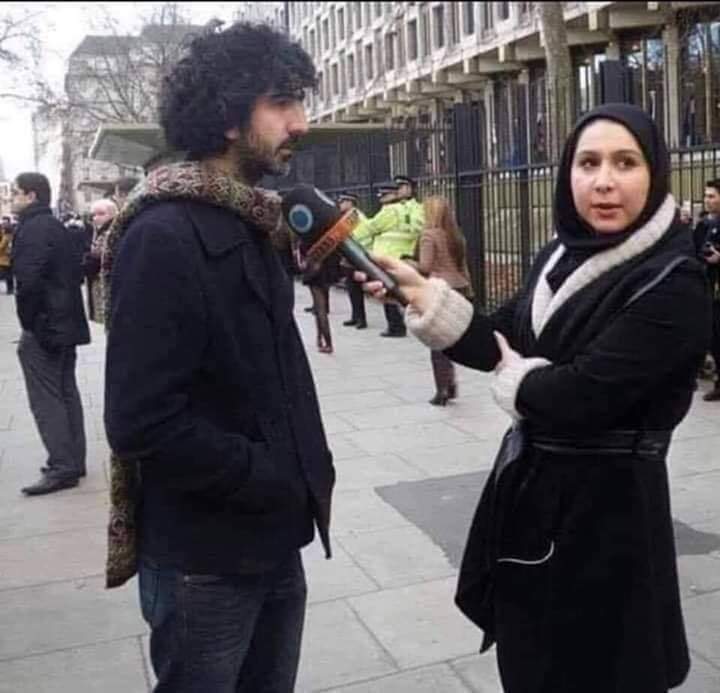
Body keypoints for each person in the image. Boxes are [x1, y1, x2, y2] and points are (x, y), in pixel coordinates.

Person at [359, 104, 709, 692]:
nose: (603, 181)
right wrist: (424, 295)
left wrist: (518, 378)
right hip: (535, 502)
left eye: (625, 163)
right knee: (532, 659)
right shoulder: (559, 257)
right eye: (588, 163)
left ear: (655, 174)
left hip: (612, 519)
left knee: (601, 669)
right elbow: (503, 336)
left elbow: (579, 396)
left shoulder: (674, 281)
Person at [103, 22, 335, 692]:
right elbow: (142, 421)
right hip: (205, 561)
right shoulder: (163, 234)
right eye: (282, 102)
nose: (301, 122)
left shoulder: (253, 220)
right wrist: (269, 475)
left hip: (273, 535)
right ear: (230, 116)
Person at [11, 172, 90, 495]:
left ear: (31, 196)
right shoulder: (55, 226)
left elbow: (28, 282)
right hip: (64, 324)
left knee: (47, 399)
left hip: (46, 327)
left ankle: (62, 466)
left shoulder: (32, 229)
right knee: (66, 391)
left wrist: (30, 324)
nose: (12, 198)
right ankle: (73, 460)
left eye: (15, 192)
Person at [416, 196, 472, 405]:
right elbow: (463, 267)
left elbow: (425, 267)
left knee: (436, 342)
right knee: (449, 339)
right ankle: (451, 383)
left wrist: (408, 263)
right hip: (459, 287)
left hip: (439, 290)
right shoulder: (456, 236)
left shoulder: (428, 235)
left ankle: (442, 390)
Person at [364, 183, 410, 336]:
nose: (381, 198)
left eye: (384, 195)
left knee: (388, 293)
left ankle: (395, 327)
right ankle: (401, 324)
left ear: (392, 195)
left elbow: (371, 227)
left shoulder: (389, 211)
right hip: (403, 255)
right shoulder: (405, 209)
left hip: (388, 256)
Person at [692, 179, 720, 400]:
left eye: (712, 196)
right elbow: (695, 249)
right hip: (709, 286)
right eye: (706, 196)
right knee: (714, 336)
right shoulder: (705, 224)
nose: (707, 200)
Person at [338, 192, 370, 329]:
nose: (340, 204)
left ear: (350, 203)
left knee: (356, 289)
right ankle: (355, 316)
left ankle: (361, 319)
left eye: (343, 202)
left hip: (357, 257)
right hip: (350, 257)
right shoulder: (348, 216)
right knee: (352, 289)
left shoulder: (355, 217)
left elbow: (358, 238)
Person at [84, 198, 117, 323]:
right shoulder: (98, 232)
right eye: (94, 215)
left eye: (101, 214)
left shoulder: (112, 233)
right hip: (100, 287)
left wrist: (90, 260)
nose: (96, 218)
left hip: (108, 288)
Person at [0, 217, 14, 295]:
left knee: (6, 274)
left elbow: (1, 247)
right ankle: (10, 289)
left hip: (4, 259)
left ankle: (10, 289)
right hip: (9, 258)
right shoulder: (11, 236)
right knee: (9, 274)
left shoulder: (5, 237)